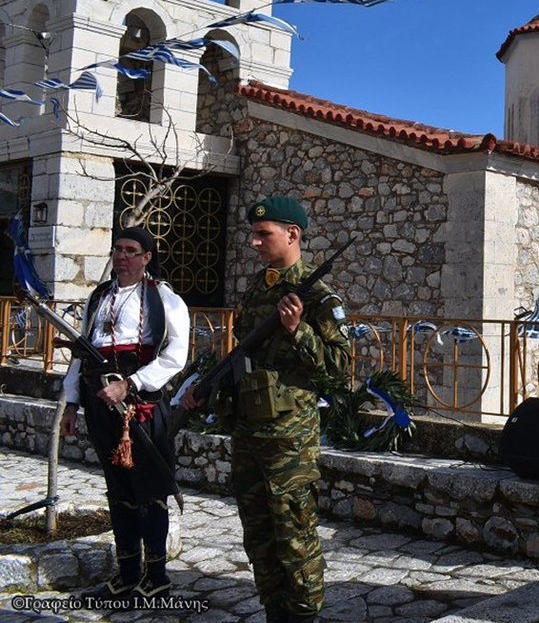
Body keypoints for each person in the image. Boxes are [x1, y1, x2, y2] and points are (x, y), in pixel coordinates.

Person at [182, 196, 349, 623]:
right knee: (257, 535)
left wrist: (299, 330)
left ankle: (303, 616)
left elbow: (341, 367)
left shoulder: (317, 294)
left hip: (289, 440)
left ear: (292, 234)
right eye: (252, 234)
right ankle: (275, 611)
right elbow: (245, 354)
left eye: (263, 234)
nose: (253, 242)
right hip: (249, 429)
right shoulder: (261, 286)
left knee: (294, 536)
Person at [60, 227, 190, 599]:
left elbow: (174, 357)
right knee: (118, 491)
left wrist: (131, 384)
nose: (122, 256)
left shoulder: (162, 297)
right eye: (118, 249)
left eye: (131, 250)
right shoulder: (99, 297)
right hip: (101, 405)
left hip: (143, 407)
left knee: (150, 492)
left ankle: (156, 577)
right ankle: (127, 573)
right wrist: (72, 402)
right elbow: (82, 355)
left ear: (147, 257)